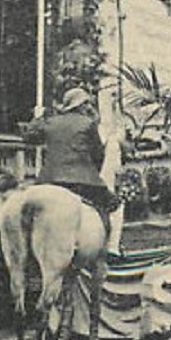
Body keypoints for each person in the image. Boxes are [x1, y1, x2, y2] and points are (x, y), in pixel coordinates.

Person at [21, 85, 116, 231]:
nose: (88, 107)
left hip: (49, 179)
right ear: (80, 105)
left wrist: (37, 117)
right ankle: (110, 247)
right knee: (113, 204)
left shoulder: (51, 122)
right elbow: (98, 155)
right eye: (86, 103)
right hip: (83, 182)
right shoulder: (88, 123)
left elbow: (28, 138)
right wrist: (93, 173)